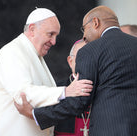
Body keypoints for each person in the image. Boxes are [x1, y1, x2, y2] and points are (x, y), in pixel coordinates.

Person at [14, 5, 137, 136]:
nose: (84, 37)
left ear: (95, 22)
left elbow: (79, 102)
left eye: (84, 29)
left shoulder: (90, 50)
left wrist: (35, 114)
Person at [0, 8, 93, 136]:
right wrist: (65, 91)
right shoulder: (12, 52)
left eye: (56, 36)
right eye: (50, 34)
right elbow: (23, 95)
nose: (54, 42)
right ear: (32, 29)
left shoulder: (34, 55)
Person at [54, 39, 90, 136]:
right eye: (81, 57)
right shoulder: (55, 90)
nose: (87, 62)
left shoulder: (105, 89)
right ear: (70, 61)